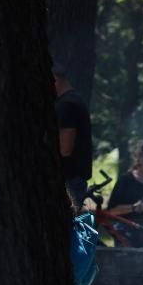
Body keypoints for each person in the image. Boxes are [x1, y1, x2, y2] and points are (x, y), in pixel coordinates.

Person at [54, 65, 92, 208]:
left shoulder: (67, 105)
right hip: (74, 177)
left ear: (55, 80)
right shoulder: (75, 100)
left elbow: (65, 149)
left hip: (69, 180)